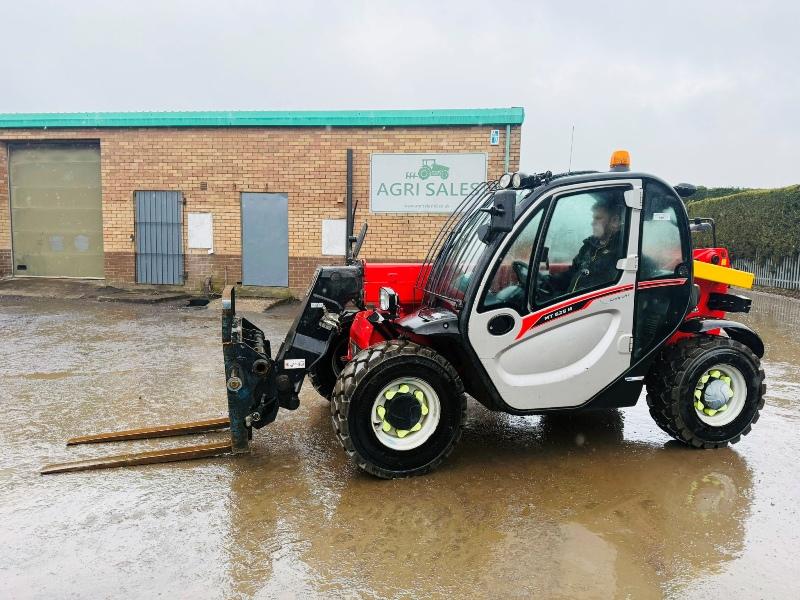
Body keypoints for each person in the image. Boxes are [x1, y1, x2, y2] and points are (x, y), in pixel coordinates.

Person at [544, 194, 626, 297]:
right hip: (572, 301)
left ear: (614, 221)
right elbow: (570, 275)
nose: (592, 223)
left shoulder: (622, 252)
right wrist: (546, 282)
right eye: (593, 218)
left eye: (598, 218)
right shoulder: (589, 246)